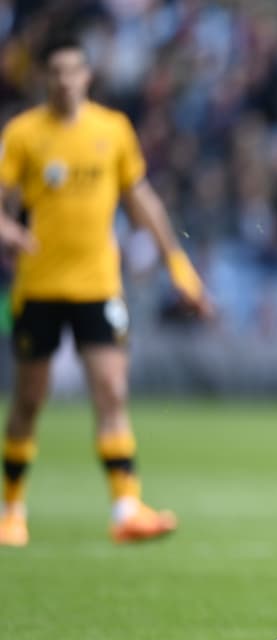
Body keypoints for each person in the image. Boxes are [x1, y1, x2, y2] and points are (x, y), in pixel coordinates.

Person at [0, 36, 213, 548]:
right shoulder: (24, 133)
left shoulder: (112, 130)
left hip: (98, 283)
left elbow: (140, 198)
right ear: (45, 78)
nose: (65, 81)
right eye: (56, 72)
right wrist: (8, 232)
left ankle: (126, 507)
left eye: (73, 71)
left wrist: (176, 263)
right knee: (29, 399)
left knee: (112, 389)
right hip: (39, 285)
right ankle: (11, 509)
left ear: (87, 77)